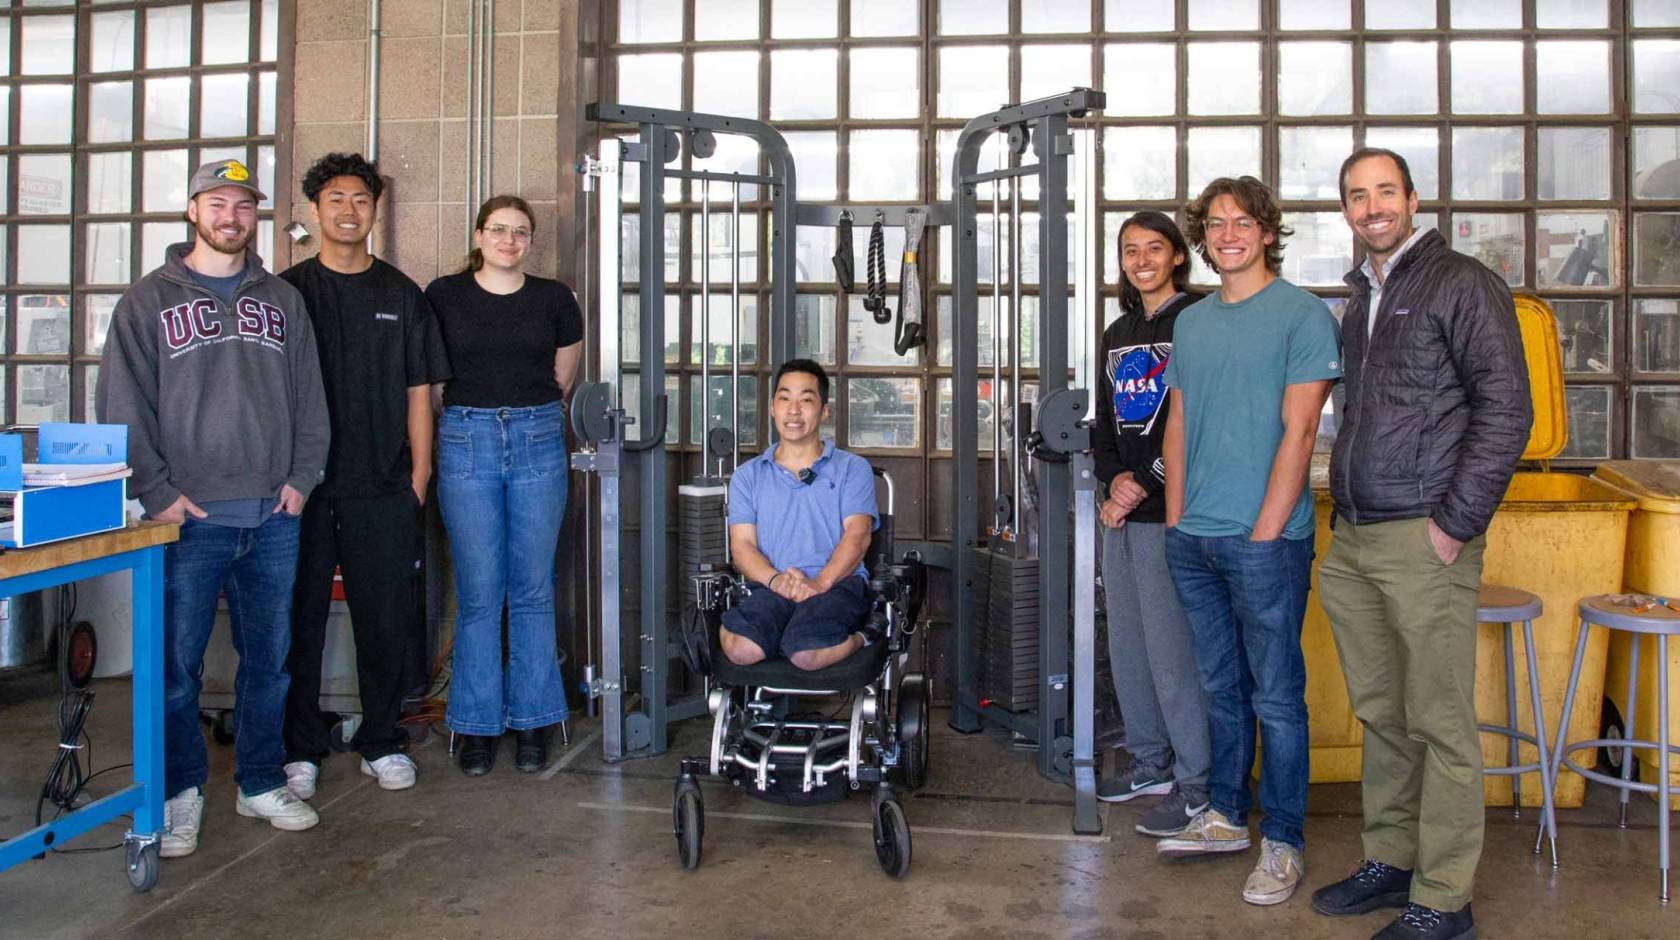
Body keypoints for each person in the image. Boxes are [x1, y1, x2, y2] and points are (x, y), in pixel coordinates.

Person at [1311, 148, 1530, 940]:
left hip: (1423, 537)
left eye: (1384, 192)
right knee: (1384, 713)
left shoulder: (1461, 283)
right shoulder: (1362, 293)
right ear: (1345, 210)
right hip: (1359, 535)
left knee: (1438, 721)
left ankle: (1443, 898)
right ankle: (1392, 859)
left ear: (1412, 199)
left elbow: (1507, 410)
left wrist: (1454, 524)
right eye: (1356, 195)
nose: (1372, 206)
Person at [98, 158, 331, 857]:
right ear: (193, 211)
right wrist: (158, 491)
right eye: (218, 204)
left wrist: (303, 476)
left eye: (244, 206)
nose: (232, 217)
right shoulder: (148, 301)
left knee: (271, 661)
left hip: (273, 515)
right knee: (175, 668)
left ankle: (260, 781)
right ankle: (179, 792)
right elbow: (122, 402)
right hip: (188, 521)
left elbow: (310, 397)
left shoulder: (282, 300)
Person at [1155, 176, 1342, 908]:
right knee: (1220, 691)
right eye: (1215, 224)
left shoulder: (1301, 316)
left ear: (1268, 232)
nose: (1227, 234)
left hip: (1266, 541)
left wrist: (1266, 529)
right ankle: (1227, 816)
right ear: (1202, 239)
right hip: (1193, 538)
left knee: (1277, 698)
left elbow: (1301, 430)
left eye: (1243, 222)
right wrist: (1176, 520)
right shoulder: (1193, 324)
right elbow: (1178, 420)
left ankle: (1284, 840)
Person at [279, 153, 451, 800]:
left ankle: (380, 739)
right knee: (302, 620)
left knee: (384, 618)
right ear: (315, 211)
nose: (349, 211)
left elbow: (419, 391)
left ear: (375, 211)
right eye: (336, 200)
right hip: (305, 486)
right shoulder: (288, 293)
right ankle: (301, 747)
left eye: (361, 200)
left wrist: (419, 476)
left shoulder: (400, 295)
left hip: (384, 485)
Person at [427, 195, 582, 777]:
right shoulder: (444, 295)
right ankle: (475, 725)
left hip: (538, 435)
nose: (509, 241)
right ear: (478, 235)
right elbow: (432, 377)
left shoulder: (554, 299)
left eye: (521, 232)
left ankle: (533, 720)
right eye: (499, 230)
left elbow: (561, 376)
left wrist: (523, 413)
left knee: (533, 588)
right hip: (466, 437)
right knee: (478, 592)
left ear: (531, 241)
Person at [1091, 211, 1212, 841]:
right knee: (1129, 647)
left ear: (1176, 258)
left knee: (1172, 653)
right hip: (1122, 513)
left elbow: (1196, 418)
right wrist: (1113, 481)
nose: (1141, 260)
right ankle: (1150, 764)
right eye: (1130, 250)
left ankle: (1196, 785)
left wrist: (1147, 481)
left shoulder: (1196, 321)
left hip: (1171, 512)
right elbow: (1104, 421)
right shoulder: (1117, 332)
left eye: (1153, 249)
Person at [719, 359, 878, 672]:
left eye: (806, 400)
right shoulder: (747, 476)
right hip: (771, 585)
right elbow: (742, 547)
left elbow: (857, 537)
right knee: (741, 650)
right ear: (772, 408)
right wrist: (777, 580)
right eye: (784, 398)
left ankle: (866, 636)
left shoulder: (852, 469)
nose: (794, 410)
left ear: (824, 411)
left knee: (805, 654)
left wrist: (818, 583)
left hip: (836, 585)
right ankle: (777, 630)